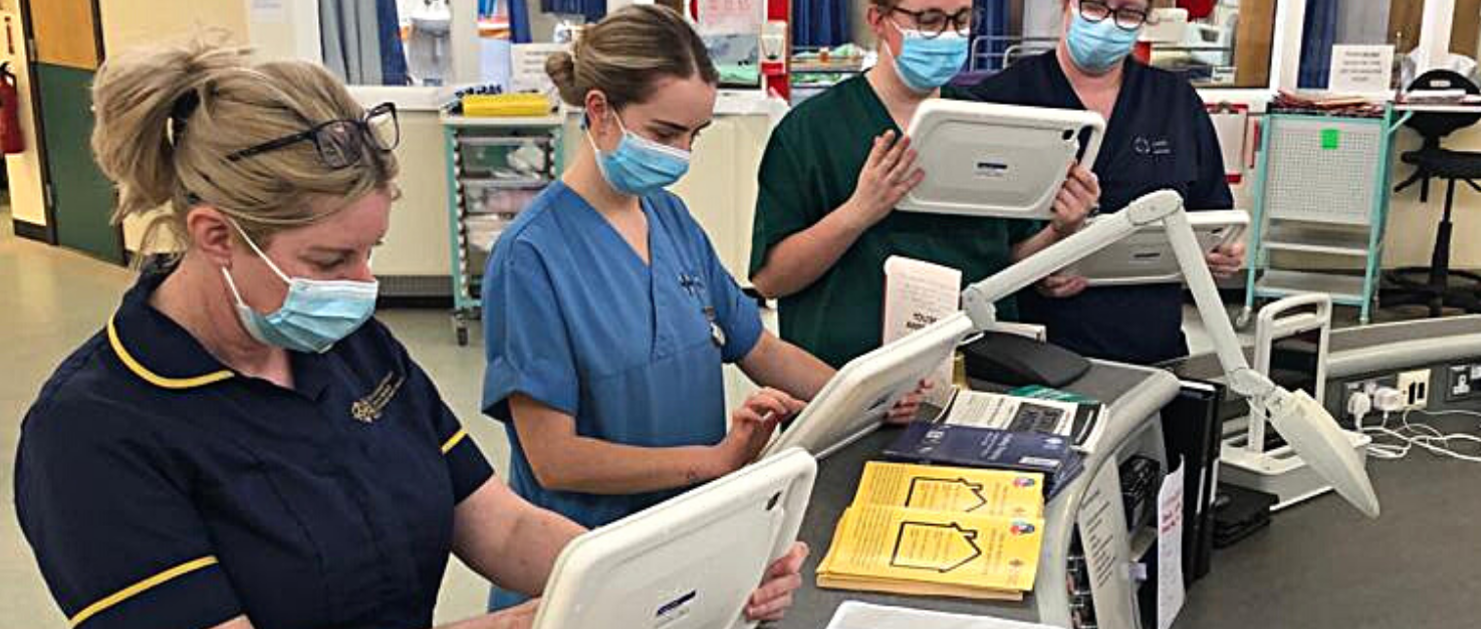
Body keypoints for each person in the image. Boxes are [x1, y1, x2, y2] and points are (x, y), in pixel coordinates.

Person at [12, 38, 803, 629]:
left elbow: (496, 517)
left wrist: (681, 575)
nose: (361, 284)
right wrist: (556, 616)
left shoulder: (348, 350)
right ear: (215, 234)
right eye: (329, 257)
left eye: (371, 251)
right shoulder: (95, 435)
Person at [480, 5, 921, 611]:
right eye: (664, 134)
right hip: (588, 566)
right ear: (601, 111)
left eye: (695, 135)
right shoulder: (530, 257)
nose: (682, 154)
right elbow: (555, 459)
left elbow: (757, 346)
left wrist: (867, 395)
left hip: (691, 548)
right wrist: (711, 465)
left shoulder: (672, 221)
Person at [748, 0, 1101, 369]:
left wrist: (1061, 230)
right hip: (847, 385)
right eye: (929, 20)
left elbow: (1006, 258)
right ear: (878, 20)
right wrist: (858, 212)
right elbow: (772, 280)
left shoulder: (987, 125)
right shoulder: (812, 131)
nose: (948, 35)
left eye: (961, 20)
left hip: (972, 373)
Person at [969, 0, 1245, 365]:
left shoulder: (1173, 101)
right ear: (1067, 5)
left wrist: (1220, 254)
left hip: (1152, 346)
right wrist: (1037, 263)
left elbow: (1208, 214)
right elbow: (974, 248)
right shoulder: (1002, 100)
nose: (1109, 25)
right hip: (1035, 353)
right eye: (1097, 7)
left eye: (1128, 13)